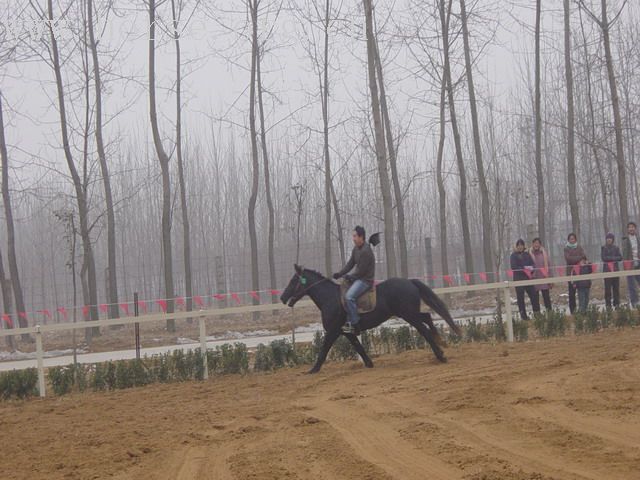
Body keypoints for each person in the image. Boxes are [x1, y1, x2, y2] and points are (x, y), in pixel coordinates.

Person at [333, 226, 375, 334]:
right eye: (353, 236)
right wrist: (340, 273)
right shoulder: (356, 249)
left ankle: (355, 324)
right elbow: (350, 264)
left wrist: (349, 276)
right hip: (357, 278)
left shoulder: (366, 251)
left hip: (365, 281)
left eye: (355, 236)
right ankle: (347, 321)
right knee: (342, 291)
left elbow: (360, 271)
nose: (353, 238)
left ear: (361, 237)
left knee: (349, 297)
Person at [510, 239, 540, 320]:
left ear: (524, 246)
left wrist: (531, 269)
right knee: (520, 298)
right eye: (518, 245)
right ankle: (524, 316)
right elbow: (514, 267)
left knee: (534, 296)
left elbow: (533, 264)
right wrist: (524, 269)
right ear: (516, 246)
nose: (520, 247)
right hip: (518, 279)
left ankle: (537, 314)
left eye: (521, 245)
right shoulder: (513, 255)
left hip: (528, 278)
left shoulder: (527, 254)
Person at [564, 233, 586, 314]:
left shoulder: (579, 247)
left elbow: (584, 256)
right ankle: (573, 311)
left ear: (575, 239)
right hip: (571, 273)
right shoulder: (566, 249)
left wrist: (578, 258)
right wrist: (579, 258)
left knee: (581, 291)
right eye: (570, 239)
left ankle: (582, 309)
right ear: (568, 240)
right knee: (571, 293)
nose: (572, 240)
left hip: (580, 272)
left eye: (573, 238)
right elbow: (569, 259)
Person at [529, 237, 552, 311]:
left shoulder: (544, 254)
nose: (536, 245)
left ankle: (550, 315)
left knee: (546, 298)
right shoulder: (529, 254)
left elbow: (549, 266)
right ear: (532, 244)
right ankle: (537, 317)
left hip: (544, 278)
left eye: (538, 243)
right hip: (534, 279)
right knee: (535, 299)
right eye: (535, 243)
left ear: (540, 244)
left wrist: (550, 279)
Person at [601, 232, 623, 308]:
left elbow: (620, 257)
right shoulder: (603, 248)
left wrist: (611, 258)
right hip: (607, 271)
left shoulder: (616, 248)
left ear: (613, 239)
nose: (609, 240)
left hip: (616, 270)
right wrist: (613, 258)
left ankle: (616, 304)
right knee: (607, 290)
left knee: (616, 288)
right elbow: (604, 258)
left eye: (610, 238)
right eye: (607, 238)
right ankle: (608, 305)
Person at [621, 222, 640, 308]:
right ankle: (635, 302)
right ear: (628, 229)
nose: (631, 228)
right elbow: (624, 254)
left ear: (635, 229)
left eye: (633, 227)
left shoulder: (638, 238)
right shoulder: (625, 240)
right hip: (630, 265)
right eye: (630, 227)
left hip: (638, 263)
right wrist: (625, 266)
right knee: (632, 285)